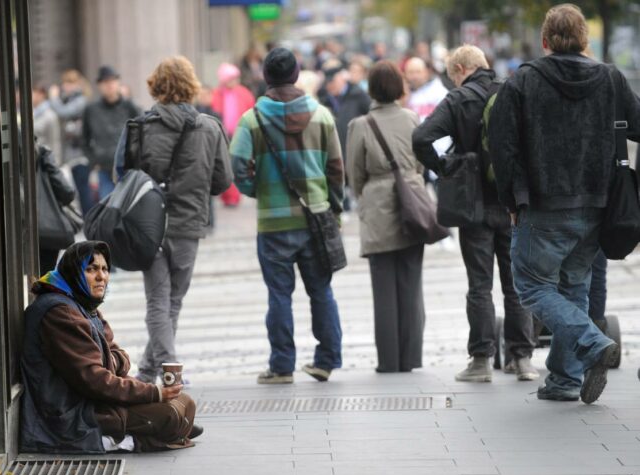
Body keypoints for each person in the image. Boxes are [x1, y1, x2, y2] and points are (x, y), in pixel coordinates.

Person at [489, 3, 640, 403]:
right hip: (596, 204)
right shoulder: (610, 78)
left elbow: (502, 147)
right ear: (585, 38)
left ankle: (592, 341)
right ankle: (563, 381)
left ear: (545, 40)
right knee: (574, 288)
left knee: (532, 287)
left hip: (541, 205)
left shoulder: (522, 81)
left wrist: (512, 198)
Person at [412, 45, 537, 383]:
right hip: (512, 205)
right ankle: (521, 359)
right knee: (517, 284)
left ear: (461, 69)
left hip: (474, 206)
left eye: (453, 75)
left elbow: (422, 137)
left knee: (479, 285)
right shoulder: (511, 91)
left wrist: (444, 168)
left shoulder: (458, 99)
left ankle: (481, 361)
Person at [114, 56, 233, 384]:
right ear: (191, 85)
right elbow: (223, 181)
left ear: (156, 86)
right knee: (173, 300)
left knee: (157, 299)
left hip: (147, 226)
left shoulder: (138, 127)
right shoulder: (210, 127)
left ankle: (152, 370)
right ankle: (168, 367)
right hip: (188, 224)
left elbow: (120, 175)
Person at [20, 241, 202, 453]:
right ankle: (129, 441)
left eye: (105, 269)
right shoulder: (61, 313)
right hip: (69, 413)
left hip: (94, 399)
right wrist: (154, 393)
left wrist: (108, 360)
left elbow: (119, 357)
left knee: (186, 403)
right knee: (171, 414)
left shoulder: (83, 305)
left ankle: (169, 431)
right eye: (91, 269)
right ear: (73, 272)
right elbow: (95, 380)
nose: (101, 277)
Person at [230, 47, 344, 384]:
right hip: (315, 219)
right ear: (296, 75)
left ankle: (282, 366)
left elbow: (236, 165)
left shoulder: (252, 119)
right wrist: (331, 206)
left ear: (266, 77)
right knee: (321, 291)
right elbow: (336, 169)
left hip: (273, 221)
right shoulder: (322, 116)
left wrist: (255, 190)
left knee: (279, 295)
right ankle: (326, 359)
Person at [346, 60, 426, 373]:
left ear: (371, 90)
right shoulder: (412, 119)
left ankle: (389, 360)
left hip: (378, 209)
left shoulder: (360, 126)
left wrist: (370, 194)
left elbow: (355, 177)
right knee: (411, 284)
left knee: (383, 290)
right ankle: (411, 357)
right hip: (412, 205)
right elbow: (420, 165)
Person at [80, 65, 141, 215]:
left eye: (113, 81)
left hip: (127, 169)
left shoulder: (130, 107)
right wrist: (93, 161)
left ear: (118, 83)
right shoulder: (91, 110)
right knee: (108, 210)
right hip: (104, 168)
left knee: (129, 210)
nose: (110, 85)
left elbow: (141, 135)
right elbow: (84, 139)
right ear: (99, 85)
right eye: (105, 82)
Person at [211, 62, 256, 208]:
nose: (233, 82)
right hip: (222, 134)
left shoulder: (243, 92)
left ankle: (233, 196)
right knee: (224, 165)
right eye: (230, 79)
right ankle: (228, 195)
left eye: (235, 78)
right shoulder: (217, 94)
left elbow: (252, 111)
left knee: (235, 164)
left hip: (240, 134)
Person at [35, 142, 75, 274]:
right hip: (47, 230)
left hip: (13, 231)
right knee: (45, 274)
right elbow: (67, 193)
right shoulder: (43, 153)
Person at [48, 69, 91, 166]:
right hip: (70, 152)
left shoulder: (81, 100)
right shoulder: (69, 99)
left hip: (79, 154)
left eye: (68, 83)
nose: (64, 87)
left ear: (76, 84)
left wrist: (54, 98)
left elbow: (64, 112)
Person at [404, 57, 448, 122]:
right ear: (405, 74)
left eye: (418, 72)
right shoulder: (404, 93)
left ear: (426, 72)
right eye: (411, 72)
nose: (415, 76)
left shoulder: (438, 90)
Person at [32, 86, 62, 164]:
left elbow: (54, 141)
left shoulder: (50, 116)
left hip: (44, 160)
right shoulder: (30, 113)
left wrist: (55, 162)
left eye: (33, 92)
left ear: (41, 94)